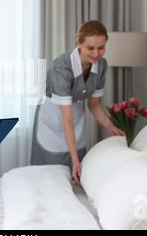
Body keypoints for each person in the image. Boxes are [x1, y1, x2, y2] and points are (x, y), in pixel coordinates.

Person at [31, 20, 125, 185]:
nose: (96, 53)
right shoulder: (61, 67)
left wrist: (112, 127)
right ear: (79, 44)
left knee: (75, 177)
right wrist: (75, 161)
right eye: (90, 48)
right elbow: (66, 120)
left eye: (101, 47)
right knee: (51, 178)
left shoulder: (101, 66)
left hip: (75, 116)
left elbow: (94, 104)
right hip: (53, 117)